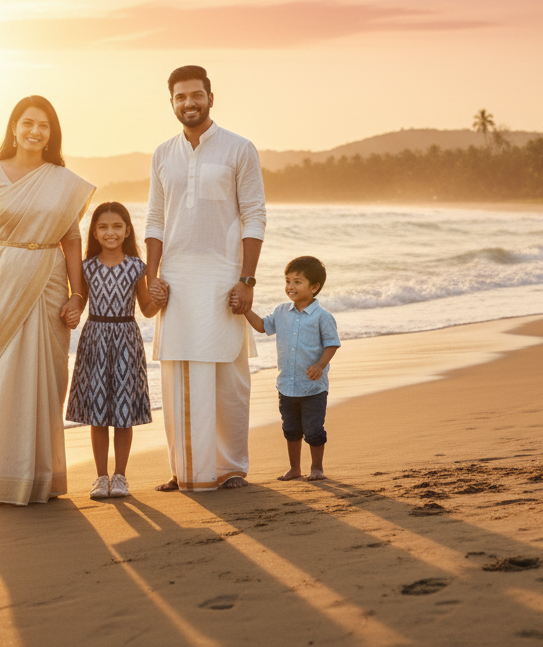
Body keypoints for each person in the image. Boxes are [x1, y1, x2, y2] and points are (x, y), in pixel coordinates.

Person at [0, 95, 95, 506]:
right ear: (14, 127)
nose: (35, 131)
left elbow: (73, 240)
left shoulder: (62, 178)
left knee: (47, 378)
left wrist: (79, 295)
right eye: (27, 123)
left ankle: (43, 479)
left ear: (51, 133)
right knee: (3, 377)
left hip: (50, 281)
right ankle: (1, 481)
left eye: (43, 125)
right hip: (2, 279)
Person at [145, 64, 266, 492]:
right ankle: (185, 470)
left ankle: (231, 467)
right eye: (180, 97)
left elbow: (254, 216)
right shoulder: (162, 154)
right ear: (172, 102)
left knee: (228, 375)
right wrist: (151, 277)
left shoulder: (239, 148)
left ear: (210, 98)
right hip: (175, 277)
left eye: (196, 95)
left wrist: (246, 280)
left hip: (222, 276)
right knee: (176, 373)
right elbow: (156, 221)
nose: (189, 103)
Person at [66, 202, 165, 499]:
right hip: (94, 338)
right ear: (94, 232)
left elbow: (146, 309)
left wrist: (160, 299)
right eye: (103, 227)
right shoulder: (86, 267)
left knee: (123, 411)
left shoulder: (138, 267)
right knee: (98, 412)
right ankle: (100, 478)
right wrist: (70, 311)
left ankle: (120, 476)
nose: (110, 232)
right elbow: (79, 303)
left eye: (117, 226)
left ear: (127, 231)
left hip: (126, 339)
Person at [243, 256, 340, 481]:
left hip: (313, 388)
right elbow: (262, 326)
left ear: (314, 287)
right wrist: (246, 309)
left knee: (314, 431)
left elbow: (332, 344)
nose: (290, 287)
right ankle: (295, 468)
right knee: (291, 430)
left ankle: (317, 468)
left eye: (298, 282)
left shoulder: (322, 317)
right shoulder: (280, 312)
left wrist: (320, 365)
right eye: (287, 281)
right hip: (286, 384)